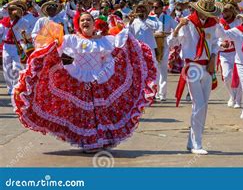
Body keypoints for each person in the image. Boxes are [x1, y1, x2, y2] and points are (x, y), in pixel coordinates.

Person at [13, 12, 157, 151]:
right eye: (82, 20)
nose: (85, 22)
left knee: (101, 111)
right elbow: (65, 55)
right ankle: (89, 141)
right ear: (78, 25)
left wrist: (104, 73)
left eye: (88, 20)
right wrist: (76, 72)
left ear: (94, 24)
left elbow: (109, 56)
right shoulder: (71, 39)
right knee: (84, 113)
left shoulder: (104, 40)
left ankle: (102, 138)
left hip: (99, 80)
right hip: (78, 80)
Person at [169, 0, 221, 155]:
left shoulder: (213, 24)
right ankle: (197, 144)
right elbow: (172, 43)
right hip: (192, 66)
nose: (206, 15)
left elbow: (215, 43)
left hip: (207, 67)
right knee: (198, 104)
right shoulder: (187, 22)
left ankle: (192, 141)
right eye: (203, 11)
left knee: (203, 106)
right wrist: (178, 28)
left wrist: (213, 57)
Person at [0, 0, 30, 95]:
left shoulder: (22, 21)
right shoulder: (4, 22)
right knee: (6, 67)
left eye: (13, 10)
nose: (11, 12)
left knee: (16, 67)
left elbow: (26, 28)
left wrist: (19, 15)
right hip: (6, 46)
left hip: (17, 47)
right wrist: (8, 5)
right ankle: (10, 88)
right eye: (10, 10)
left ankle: (15, 87)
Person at [151, 0, 178, 101]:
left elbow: (177, 28)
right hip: (153, 44)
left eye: (156, 7)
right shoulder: (150, 18)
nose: (154, 9)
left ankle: (162, 94)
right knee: (154, 69)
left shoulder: (168, 18)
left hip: (164, 45)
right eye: (153, 7)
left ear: (162, 8)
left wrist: (171, 38)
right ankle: (154, 92)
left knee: (163, 70)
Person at [218, 3, 242, 108]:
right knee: (227, 76)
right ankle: (232, 96)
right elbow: (214, 38)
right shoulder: (218, 23)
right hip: (224, 54)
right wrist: (220, 44)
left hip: (237, 53)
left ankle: (238, 100)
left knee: (239, 76)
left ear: (232, 11)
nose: (224, 13)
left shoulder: (238, 21)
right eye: (223, 11)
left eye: (227, 11)